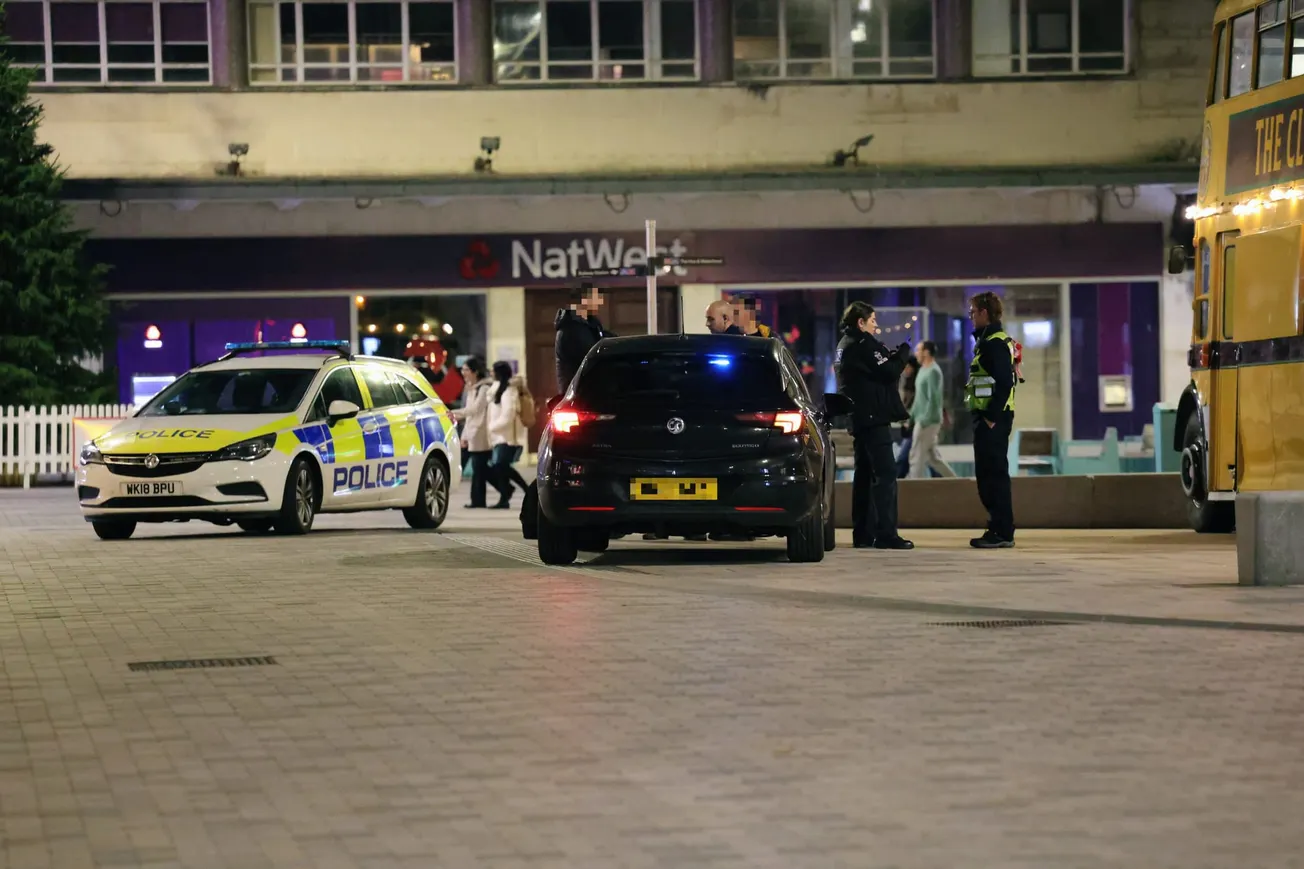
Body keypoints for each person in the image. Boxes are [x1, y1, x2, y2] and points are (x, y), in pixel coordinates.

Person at [834, 301, 914, 550]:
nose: (875, 325)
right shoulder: (862, 344)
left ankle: (864, 533)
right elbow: (889, 371)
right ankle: (886, 533)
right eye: (872, 321)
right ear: (861, 322)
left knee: (865, 475)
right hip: (872, 418)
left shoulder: (844, 345)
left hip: (859, 419)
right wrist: (903, 354)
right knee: (886, 473)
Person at [965, 291, 1017, 548]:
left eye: (973, 312)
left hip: (992, 420)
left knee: (992, 476)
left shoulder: (993, 343)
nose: (971, 317)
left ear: (985, 313)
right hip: (991, 418)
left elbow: (1005, 382)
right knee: (991, 474)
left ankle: (1001, 531)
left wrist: (991, 418)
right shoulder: (993, 340)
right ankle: (999, 528)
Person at [450, 355, 497, 509]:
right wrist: (464, 436)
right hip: (473, 432)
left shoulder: (483, 388)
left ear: (475, 372)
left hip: (481, 433)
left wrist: (454, 412)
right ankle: (487, 496)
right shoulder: (472, 388)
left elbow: (475, 410)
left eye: (466, 370)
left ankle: (480, 500)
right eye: (462, 369)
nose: (463, 372)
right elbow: (470, 416)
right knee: (480, 469)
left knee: (479, 469)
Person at [486, 361, 532, 510]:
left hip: (507, 437)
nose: (490, 373)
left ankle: (521, 491)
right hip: (500, 436)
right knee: (501, 467)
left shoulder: (507, 392)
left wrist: (493, 427)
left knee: (501, 466)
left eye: (492, 371)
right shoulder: (497, 390)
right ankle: (508, 495)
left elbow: (508, 414)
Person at [909, 341, 957, 479]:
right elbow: (920, 398)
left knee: (916, 457)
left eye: (918, 350)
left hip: (928, 421)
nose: (916, 353)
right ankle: (957, 483)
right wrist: (911, 416)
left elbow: (934, 400)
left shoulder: (934, 371)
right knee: (934, 459)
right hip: (921, 419)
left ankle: (914, 490)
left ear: (926, 352)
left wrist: (924, 420)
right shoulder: (923, 370)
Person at [555, 284, 614, 394]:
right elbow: (592, 359)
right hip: (577, 396)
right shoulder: (570, 330)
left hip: (591, 394)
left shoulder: (592, 326)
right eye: (597, 297)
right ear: (584, 299)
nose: (600, 302)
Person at [896, 356, 921, 479]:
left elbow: (916, 405)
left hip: (915, 423)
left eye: (908, 367)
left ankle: (898, 481)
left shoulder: (917, 383)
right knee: (931, 458)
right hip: (909, 424)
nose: (906, 370)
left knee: (903, 457)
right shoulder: (905, 382)